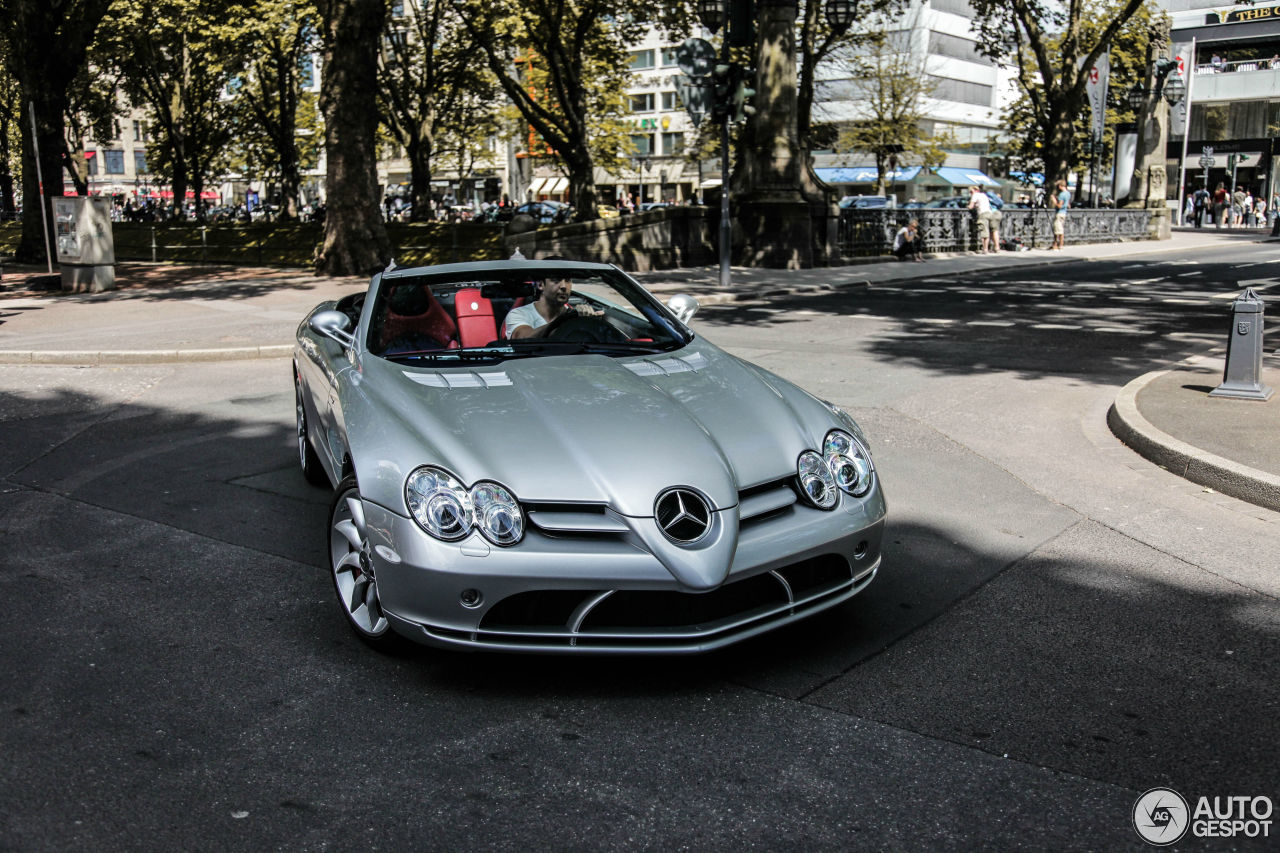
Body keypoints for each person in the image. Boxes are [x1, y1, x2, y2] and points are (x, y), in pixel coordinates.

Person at [504, 272, 603, 339]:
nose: (564, 286)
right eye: (556, 280)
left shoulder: (575, 315)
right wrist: (567, 320)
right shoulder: (519, 314)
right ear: (540, 285)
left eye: (568, 280)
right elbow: (523, 337)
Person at [967, 185, 996, 253]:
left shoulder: (975, 195)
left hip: (983, 214)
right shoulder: (983, 195)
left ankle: (985, 249)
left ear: (973, 191)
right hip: (990, 213)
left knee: (984, 232)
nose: (971, 193)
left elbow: (971, 206)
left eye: (971, 192)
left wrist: (968, 206)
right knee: (991, 231)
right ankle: (994, 247)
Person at [1050, 179, 1070, 250]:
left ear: (1060, 186)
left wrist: (1054, 200)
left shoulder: (1062, 194)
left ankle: (1058, 245)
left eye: (1058, 186)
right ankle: (1059, 244)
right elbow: (1068, 205)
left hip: (1059, 213)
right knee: (1060, 229)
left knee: (1058, 230)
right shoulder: (1068, 193)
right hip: (1064, 213)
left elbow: (1059, 205)